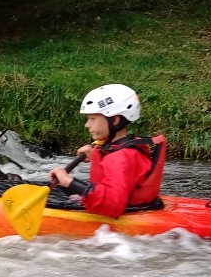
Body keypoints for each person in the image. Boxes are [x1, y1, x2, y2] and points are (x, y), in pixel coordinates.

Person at [48, 84, 166, 218]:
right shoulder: (125, 148)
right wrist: (95, 154)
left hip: (120, 212)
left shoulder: (121, 158)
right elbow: (116, 168)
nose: (87, 125)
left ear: (114, 120)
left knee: (61, 187)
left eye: (93, 119)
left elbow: (112, 205)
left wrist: (68, 181)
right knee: (59, 187)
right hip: (135, 205)